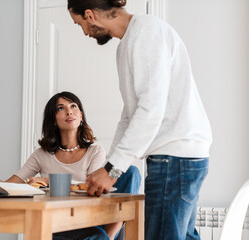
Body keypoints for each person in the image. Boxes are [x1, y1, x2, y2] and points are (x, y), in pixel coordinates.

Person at [67, 1, 213, 240]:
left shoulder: (146, 33)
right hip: (178, 158)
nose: (84, 32)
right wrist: (109, 167)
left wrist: (112, 171)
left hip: (175, 159)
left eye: (80, 24)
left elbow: (150, 110)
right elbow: (130, 114)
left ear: (90, 15)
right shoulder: (127, 44)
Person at [0, 91, 141, 240]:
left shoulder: (95, 151)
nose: (69, 111)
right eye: (60, 108)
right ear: (53, 121)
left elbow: (89, 188)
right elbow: (10, 187)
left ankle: (109, 237)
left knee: (130, 172)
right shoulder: (42, 154)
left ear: (81, 116)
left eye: (73, 106)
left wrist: (48, 181)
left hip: (92, 219)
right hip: (58, 223)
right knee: (95, 237)